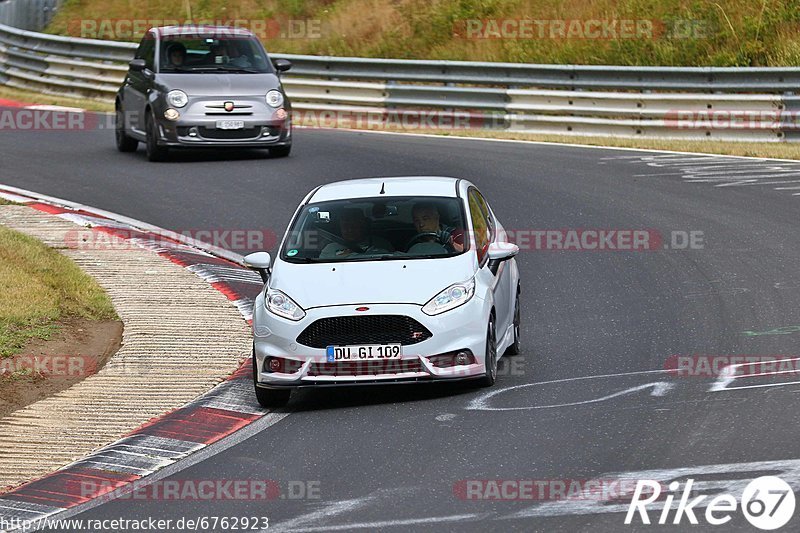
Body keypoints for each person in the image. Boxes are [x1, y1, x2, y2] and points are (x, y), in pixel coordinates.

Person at [319, 208, 394, 259]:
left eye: (354, 226)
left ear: (363, 226)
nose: (350, 230)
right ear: (340, 228)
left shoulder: (381, 244)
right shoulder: (330, 249)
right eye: (345, 227)